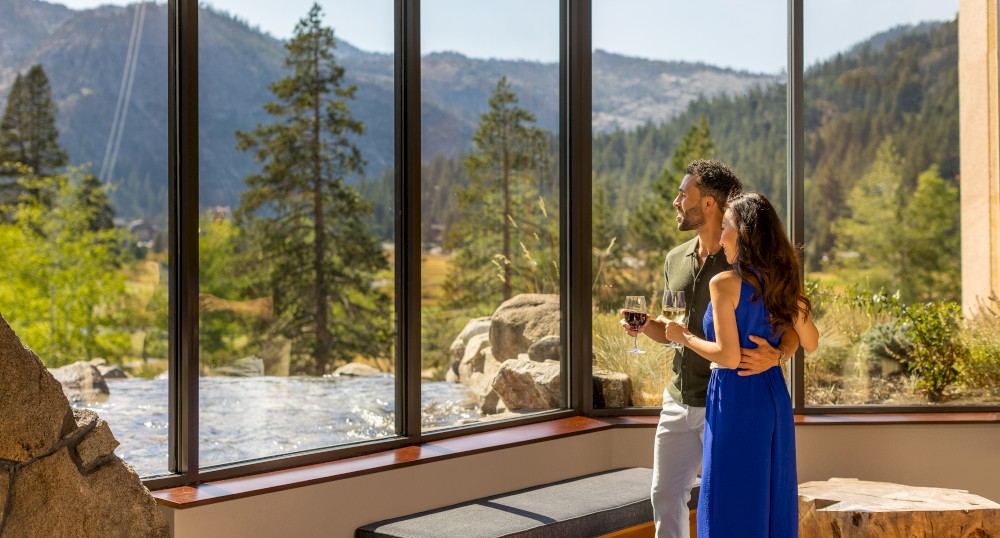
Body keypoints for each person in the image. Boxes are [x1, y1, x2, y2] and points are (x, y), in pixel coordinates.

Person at [622, 160, 800, 538]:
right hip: (679, 396)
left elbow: (790, 324)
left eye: (683, 194)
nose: (675, 201)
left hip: (724, 401)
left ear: (708, 204)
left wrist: (780, 354)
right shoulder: (675, 259)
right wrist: (647, 326)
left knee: (726, 500)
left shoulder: (744, 257)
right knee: (665, 496)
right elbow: (676, 328)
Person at [663, 191, 819, 536]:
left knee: (728, 492)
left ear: (744, 233)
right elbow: (811, 340)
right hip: (772, 396)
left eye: (727, 226)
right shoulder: (782, 283)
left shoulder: (724, 283)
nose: (721, 235)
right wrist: (778, 355)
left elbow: (728, 356)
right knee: (769, 489)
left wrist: (682, 336)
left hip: (734, 396)